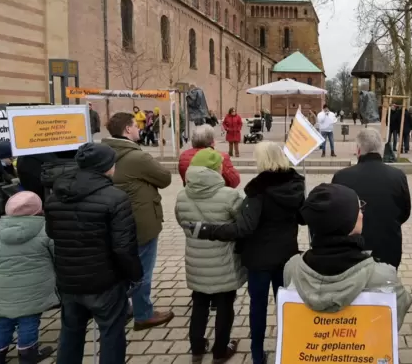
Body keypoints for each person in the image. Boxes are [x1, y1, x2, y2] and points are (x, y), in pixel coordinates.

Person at [196, 142, 305, 364]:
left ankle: (257, 355)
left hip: (260, 259)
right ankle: (289, 350)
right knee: (285, 305)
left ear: (263, 161)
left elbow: (244, 227)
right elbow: (302, 218)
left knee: (258, 308)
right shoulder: (296, 184)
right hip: (287, 256)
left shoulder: (258, 190)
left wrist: (208, 230)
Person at [45, 143, 143, 364]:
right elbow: (123, 247)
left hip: (69, 280)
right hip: (104, 282)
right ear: (107, 167)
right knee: (111, 333)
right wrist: (135, 275)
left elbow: (51, 233)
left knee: (70, 332)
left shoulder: (55, 195)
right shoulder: (116, 198)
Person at [284, 183, 412, 328]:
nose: (362, 214)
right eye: (358, 208)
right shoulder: (383, 277)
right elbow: (394, 320)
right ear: (347, 221)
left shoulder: (292, 268)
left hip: (310, 348)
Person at [101, 112, 174, 330]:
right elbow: (165, 178)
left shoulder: (103, 153)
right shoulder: (137, 157)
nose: (139, 129)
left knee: (120, 270)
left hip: (114, 223)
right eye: (135, 126)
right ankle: (143, 314)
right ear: (127, 130)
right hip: (140, 224)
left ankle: (121, 309)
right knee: (141, 271)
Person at [175, 149, 243, 363]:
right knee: (224, 303)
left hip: (196, 260)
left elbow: (181, 222)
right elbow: (241, 225)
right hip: (223, 260)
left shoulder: (181, 195)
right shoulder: (229, 195)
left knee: (200, 302)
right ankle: (220, 350)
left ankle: (196, 347)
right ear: (216, 169)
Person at [0, 191, 56, 364]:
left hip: (2, 291)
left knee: (2, 322)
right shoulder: (46, 230)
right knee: (29, 320)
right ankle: (28, 354)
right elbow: (57, 257)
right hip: (35, 289)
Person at [331, 129, 411, 269]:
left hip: (352, 251)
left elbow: (335, 215)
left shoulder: (341, 177)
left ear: (358, 150)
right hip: (388, 248)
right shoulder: (397, 176)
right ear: (380, 150)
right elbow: (404, 212)